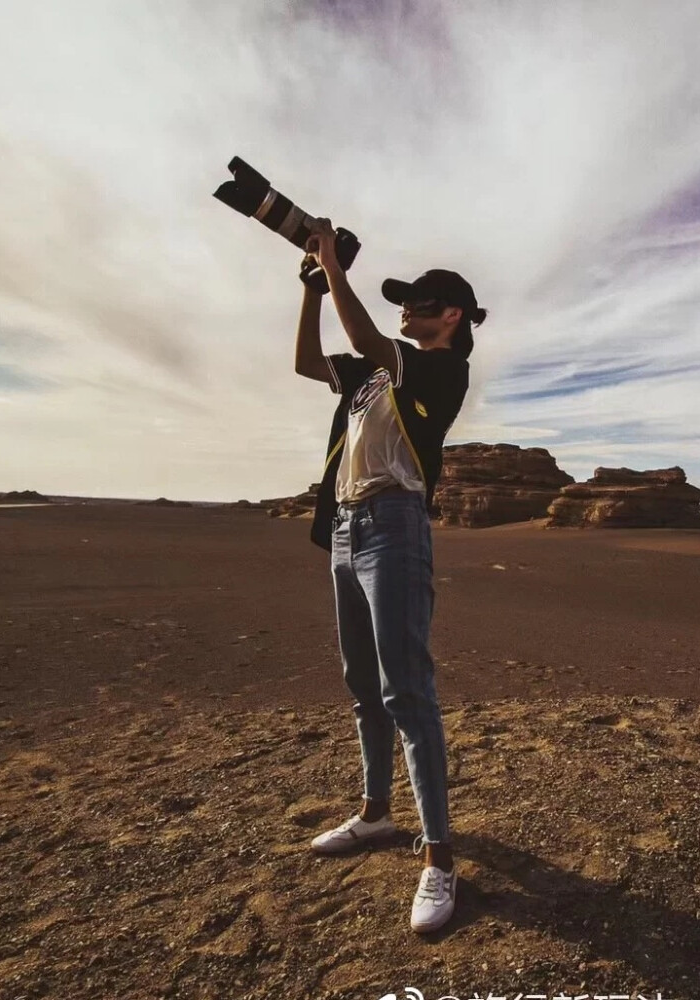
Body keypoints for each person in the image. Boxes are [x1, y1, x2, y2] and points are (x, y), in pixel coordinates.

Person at [292, 218, 486, 933]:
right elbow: (309, 363)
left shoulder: (437, 367)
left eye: (420, 302)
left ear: (451, 316)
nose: (408, 309)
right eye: (404, 301)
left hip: (395, 530)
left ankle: (438, 858)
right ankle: (376, 814)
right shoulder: (374, 374)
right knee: (360, 683)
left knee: (407, 689)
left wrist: (332, 265)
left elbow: (374, 339)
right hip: (346, 528)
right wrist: (314, 289)